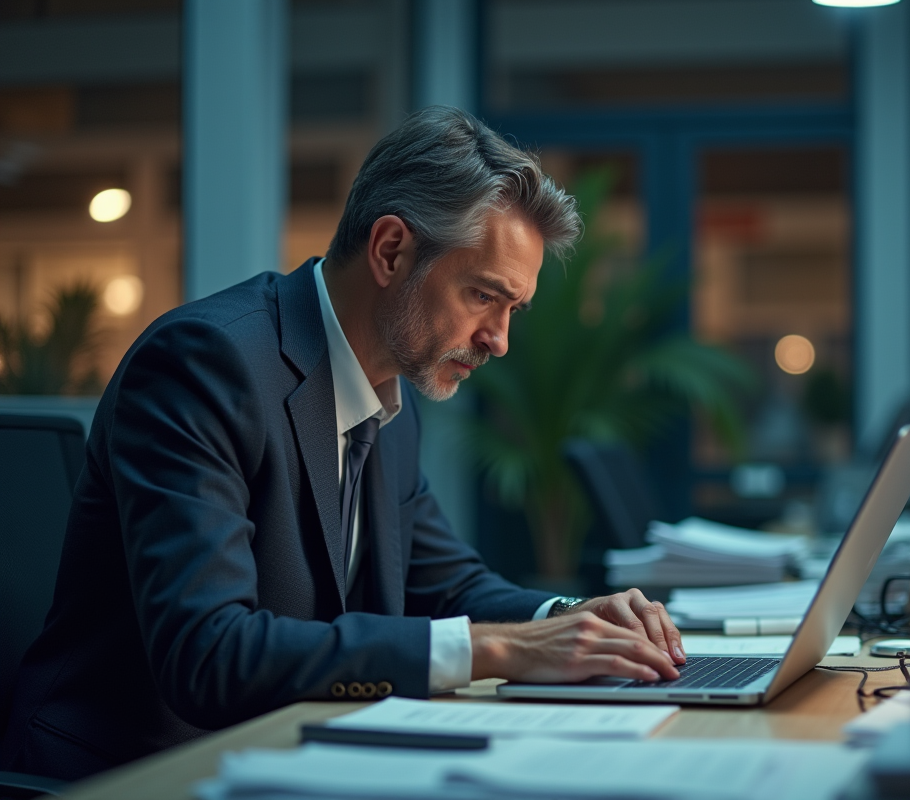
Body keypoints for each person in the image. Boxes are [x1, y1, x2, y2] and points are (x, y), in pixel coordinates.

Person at [0, 106, 686, 782]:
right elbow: (208, 653)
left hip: (286, 754)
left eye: (512, 310)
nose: (499, 340)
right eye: (483, 296)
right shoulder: (205, 364)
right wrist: (503, 650)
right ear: (391, 250)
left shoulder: (390, 401)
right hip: (136, 772)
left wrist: (567, 617)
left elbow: (446, 584)